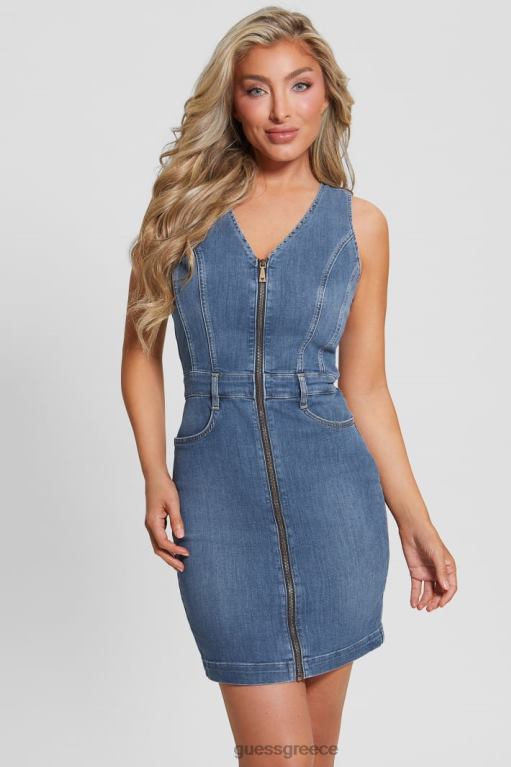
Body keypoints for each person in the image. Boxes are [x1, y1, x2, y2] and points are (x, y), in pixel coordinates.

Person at [121, 6, 457, 765]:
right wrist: (153, 474)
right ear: (232, 102)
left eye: (299, 85)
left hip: (336, 507)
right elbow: (140, 353)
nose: (280, 110)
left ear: (327, 95)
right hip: (216, 502)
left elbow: (366, 388)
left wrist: (416, 523)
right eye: (257, 89)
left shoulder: (359, 225)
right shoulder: (179, 214)